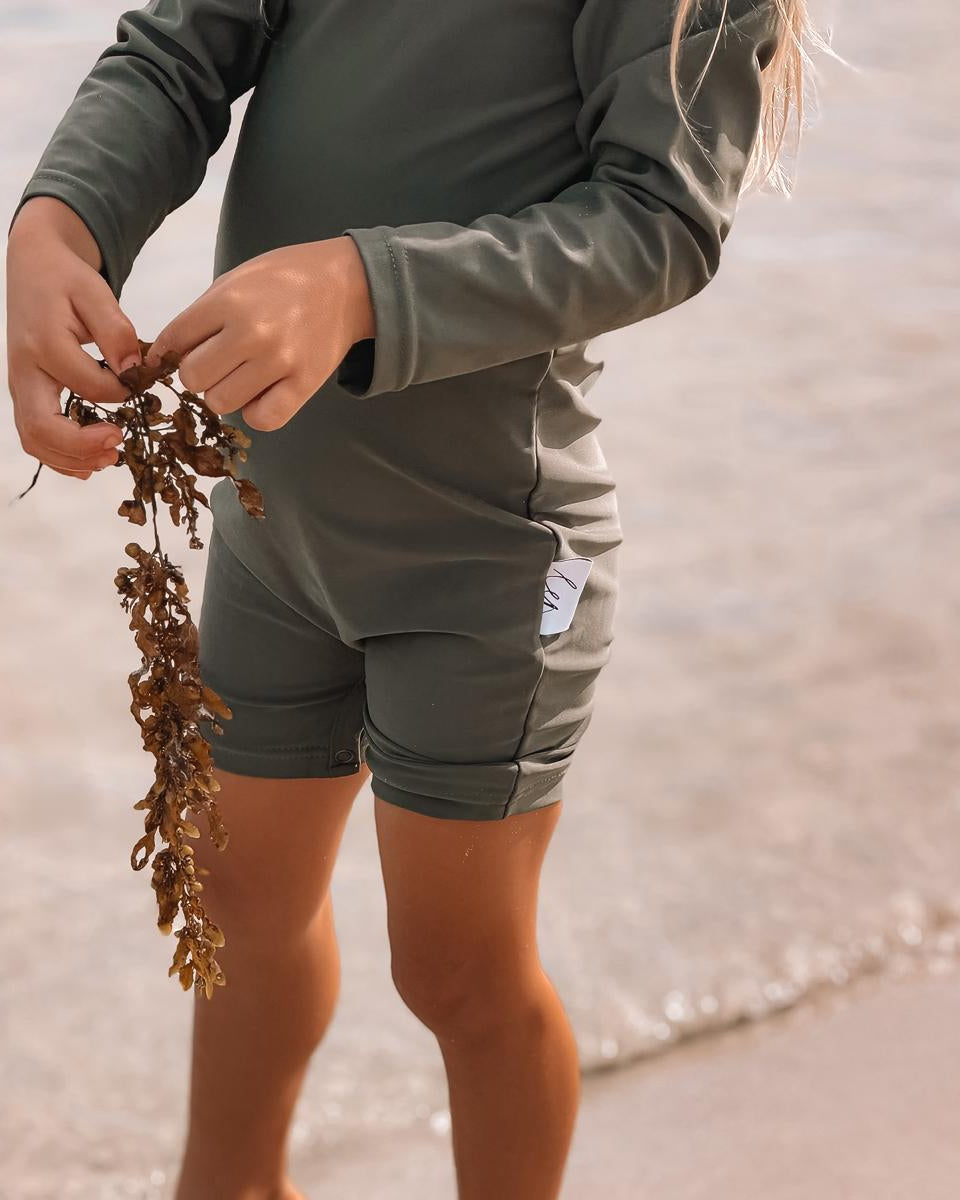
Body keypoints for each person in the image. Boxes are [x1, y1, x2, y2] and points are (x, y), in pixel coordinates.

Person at [5, 1, 816, 1196]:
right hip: (274, 519)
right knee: (234, 902)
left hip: (491, 558)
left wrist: (367, 284)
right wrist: (58, 223)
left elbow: (660, 221)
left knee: (456, 969)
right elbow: (180, 51)